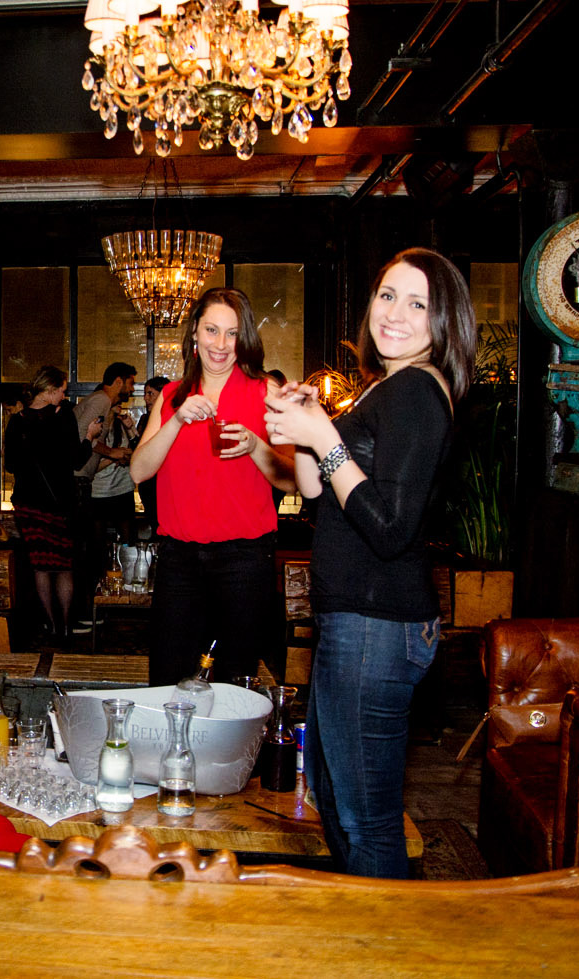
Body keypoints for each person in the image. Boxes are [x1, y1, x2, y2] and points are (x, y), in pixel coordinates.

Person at [264, 247, 478, 879]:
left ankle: (389, 933)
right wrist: (308, 426)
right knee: (334, 799)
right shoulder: (386, 387)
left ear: (444, 321)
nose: (395, 314)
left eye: (418, 303)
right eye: (388, 295)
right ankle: (362, 923)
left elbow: (390, 529)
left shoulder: (417, 390)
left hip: (377, 628)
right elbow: (314, 490)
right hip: (356, 625)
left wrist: (326, 438)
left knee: (367, 820)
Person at [129, 288, 295, 687]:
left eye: (232, 333)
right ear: (194, 334)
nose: (220, 344)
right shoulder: (172, 396)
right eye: (212, 330)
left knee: (236, 681)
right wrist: (176, 420)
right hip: (179, 560)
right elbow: (138, 471)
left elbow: (291, 479)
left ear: (245, 339)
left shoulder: (267, 393)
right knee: (169, 678)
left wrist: (255, 446)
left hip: (244, 560)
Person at [3, 367, 102, 639]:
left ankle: (52, 625)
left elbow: (10, 464)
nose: (64, 395)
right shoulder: (63, 417)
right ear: (48, 390)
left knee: (41, 566)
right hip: (59, 503)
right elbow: (77, 460)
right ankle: (66, 627)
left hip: (28, 504)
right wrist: (90, 436)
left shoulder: (17, 421)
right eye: (62, 390)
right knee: (64, 565)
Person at [73, 361, 137, 632]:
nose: (132, 389)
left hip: (85, 482)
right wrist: (112, 453)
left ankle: (89, 610)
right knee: (86, 553)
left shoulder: (104, 405)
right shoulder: (100, 400)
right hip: (79, 484)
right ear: (118, 381)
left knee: (90, 552)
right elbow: (80, 437)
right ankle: (81, 613)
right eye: (131, 383)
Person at [137, 376, 169, 529]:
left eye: (150, 394)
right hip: (147, 481)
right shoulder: (145, 419)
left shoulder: (172, 420)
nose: (146, 398)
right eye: (145, 394)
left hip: (165, 480)